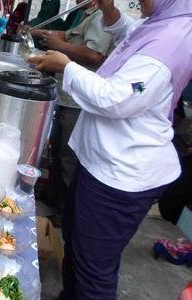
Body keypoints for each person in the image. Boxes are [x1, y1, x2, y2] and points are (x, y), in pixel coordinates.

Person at [28, 0, 192, 298]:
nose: (138, 0)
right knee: (77, 248)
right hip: (100, 164)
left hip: (121, 176)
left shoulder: (172, 40)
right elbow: (129, 34)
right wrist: (108, 10)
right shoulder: (161, 24)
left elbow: (116, 99)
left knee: (94, 271)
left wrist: (67, 67)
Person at [30, 0, 113, 215]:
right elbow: (65, 36)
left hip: (78, 102)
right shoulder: (85, 16)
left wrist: (60, 49)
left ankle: (65, 209)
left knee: (68, 156)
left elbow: (94, 54)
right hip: (66, 98)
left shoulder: (100, 18)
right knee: (56, 150)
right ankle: (51, 195)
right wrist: (41, 33)